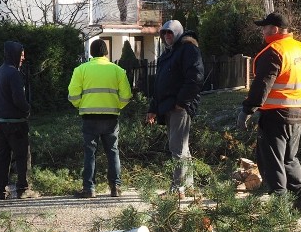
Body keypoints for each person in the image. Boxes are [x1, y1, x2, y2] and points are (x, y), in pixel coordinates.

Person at [237, 12, 301, 214]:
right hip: (298, 112)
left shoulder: (274, 51)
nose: (262, 31)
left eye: (265, 27)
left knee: (272, 160)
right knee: (290, 158)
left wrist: (247, 109)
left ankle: (280, 208)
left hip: (275, 115)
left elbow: (262, 85)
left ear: (276, 29)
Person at [145, 20, 204, 199]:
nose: (166, 36)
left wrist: (182, 102)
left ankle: (178, 189)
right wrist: (153, 108)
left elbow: (196, 77)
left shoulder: (187, 49)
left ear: (178, 33)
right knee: (182, 148)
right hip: (169, 106)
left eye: (170, 33)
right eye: (164, 33)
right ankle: (188, 186)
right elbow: (159, 85)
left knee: (177, 148)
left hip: (179, 107)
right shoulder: (169, 53)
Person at [69, 39, 132, 198]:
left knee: (90, 153)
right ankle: (115, 188)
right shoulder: (118, 70)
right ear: (106, 52)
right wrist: (116, 107)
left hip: (89, 117)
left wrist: (81, 105)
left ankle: (89, 188)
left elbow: (73, 96)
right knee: (113, 152)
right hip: (111, 117)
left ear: (91, 52)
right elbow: (126, 96)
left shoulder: (80, 70)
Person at [0, 41, 39, 200]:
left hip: (0, 121)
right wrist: (27, 109)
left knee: (3, 157)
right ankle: (23, 188)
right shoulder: (13, 73)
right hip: (15, 122)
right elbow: (18, 98)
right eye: (21, 55)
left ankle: (1, 190)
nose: (23, 59)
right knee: (22, 156)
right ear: (14, 54)